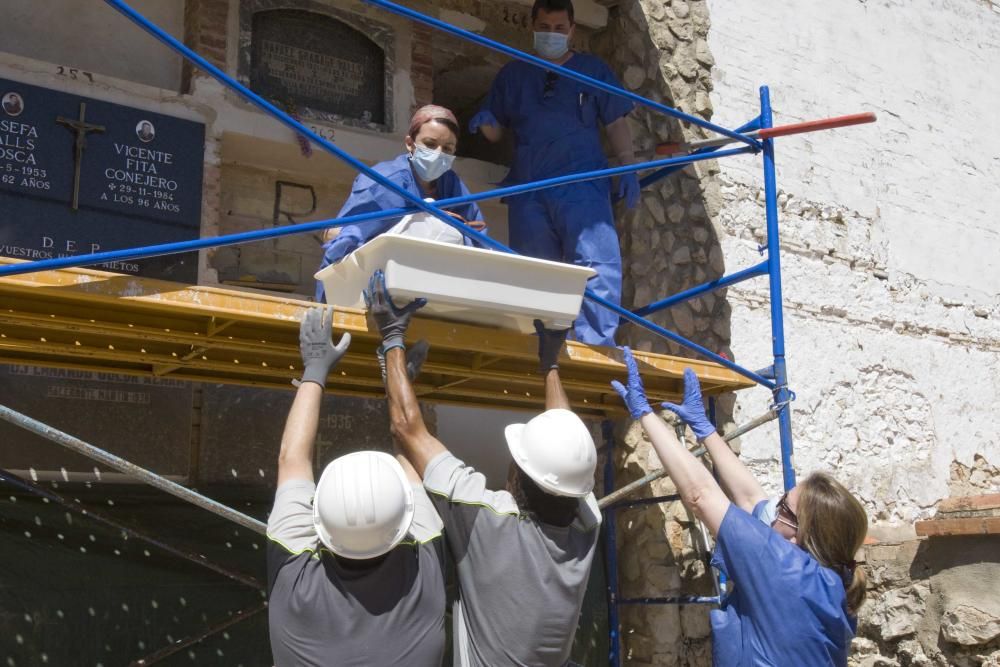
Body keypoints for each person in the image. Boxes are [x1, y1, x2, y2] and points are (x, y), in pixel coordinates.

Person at [364, 269, 601, 666]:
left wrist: (391, 336)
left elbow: (407, 429)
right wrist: (550, 365)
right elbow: (567, 450)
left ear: (518, 480)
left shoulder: (489, 521)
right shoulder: (585, 529)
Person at [610, 348, 869, 666]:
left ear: (802, 537)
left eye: (784, 509)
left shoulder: (784, 571)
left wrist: (644, 413)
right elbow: (750, 500)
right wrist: (705, 430)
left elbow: (700, 496)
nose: (772, 507)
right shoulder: (827, 582)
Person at [266, 307, 447, 667]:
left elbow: (292, 459)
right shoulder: (423, 573)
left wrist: (316, 369)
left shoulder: (426, 563)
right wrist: (316, 367)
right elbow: (292, 461)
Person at [469, 0, 639, 347]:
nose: (552, 34)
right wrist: (486, 124)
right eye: (545, 27)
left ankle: (595, 344)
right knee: (534, 267)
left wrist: (628, 164)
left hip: (582, 183)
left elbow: (616, 121)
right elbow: (499, 129)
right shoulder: (514, 75)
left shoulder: (591, 70)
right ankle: (541, 345)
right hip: (530, 186)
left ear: (572, 30)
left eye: (560, 28)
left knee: (595, 263)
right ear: (533, 26)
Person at [315, 104, 487, 302]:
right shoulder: (385, 182)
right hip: (370, 289)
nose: (439, 153)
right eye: (430, 144)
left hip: (430, 291)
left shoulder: (452, 185)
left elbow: (477, 239)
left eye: (447, 148)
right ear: (410, 143)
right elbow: (344, 240)